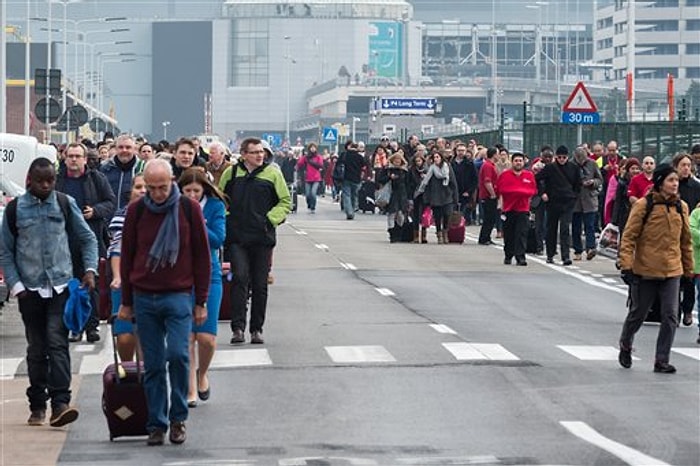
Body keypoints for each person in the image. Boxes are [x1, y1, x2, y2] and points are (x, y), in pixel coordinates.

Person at [117, 159, 211, 446]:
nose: (157, 194)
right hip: (145, 297)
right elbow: (129, 254)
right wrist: (127, 301)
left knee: (179, 357)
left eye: (162, 187)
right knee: (154, 364)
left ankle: (178, 418)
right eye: (151, 188)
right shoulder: (136, 211)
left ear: (172, 181)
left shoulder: (188, 208)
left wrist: (201, 301)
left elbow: (201, 256)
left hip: (178, 295)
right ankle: (156, 423)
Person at [0, 157, 98, 427]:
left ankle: (60, 403)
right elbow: (6, 252)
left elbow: (87, 237)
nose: (46, 185)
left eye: (50, 180)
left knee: (57, 342)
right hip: (29, 290)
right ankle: (37, 404)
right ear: (29, 180)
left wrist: (90, 270)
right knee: (36, 348)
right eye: (40, 181)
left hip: (60, 286)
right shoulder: (16, 209)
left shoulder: (65, 203)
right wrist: (16, 286)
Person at [618, 164, 694, 374]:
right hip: (646, 270)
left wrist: (689, 271)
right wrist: (626, 266)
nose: (675, 184)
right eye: (670, 180)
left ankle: (662, 360)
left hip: (672, 270)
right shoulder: (644, 205)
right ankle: (625, 343)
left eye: (676, 180)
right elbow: (629, 237)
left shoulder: (682, 207)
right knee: (638, 314)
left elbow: (685, 242)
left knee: (670, 315)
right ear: (660, 183)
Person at [219, 137, 291, 345]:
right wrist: (225, 218)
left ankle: (256, 329)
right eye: (255, 152)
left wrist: (270, 219)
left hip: (262, 237)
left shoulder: (273, 174)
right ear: (243, 155)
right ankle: (238, 328)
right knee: (240, 278)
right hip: (237, 237)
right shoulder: (231, 173)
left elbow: (285, 201)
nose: (260, 155)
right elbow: (220, 198)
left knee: (260, 284)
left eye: (262, 152)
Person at [55, 142, 116, 343]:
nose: (73, 160)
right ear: (65, 158)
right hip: (64, 240)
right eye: (70, 156)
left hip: (90, 237)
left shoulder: (96, 178)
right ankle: (76, 326)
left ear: (84, 159)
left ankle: (92, 326)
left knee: (91, 282)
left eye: (77, 156)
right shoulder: (59, 180)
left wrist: (95, 211)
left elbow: (110, 202)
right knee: (70, 284)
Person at [177, 168, 226, 408]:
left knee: (206, 337)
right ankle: (190, 389)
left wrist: (196, 222)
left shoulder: (215, 207)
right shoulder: (173, 206)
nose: (192, 196)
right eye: (188, 191)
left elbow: (218, 238)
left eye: (197, 191)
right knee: (187, 336)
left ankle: (202, 372)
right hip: (181, 275)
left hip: (210, 273)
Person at [106, 174, 147, 362]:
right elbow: (116, 248)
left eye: (147, 187)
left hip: (151, 283)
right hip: (125, 280)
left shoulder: (163, 214)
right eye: (139, 187)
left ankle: (146, 379)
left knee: (147, 339)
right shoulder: (122, 216)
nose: (143, 191)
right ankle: (128, 369)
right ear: (131, 190)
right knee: (124, 338)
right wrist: (117, 276)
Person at [537, 145, 581, 266]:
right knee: (551, 228)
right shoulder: (550, 168)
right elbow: (537, 179)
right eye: (560, 157)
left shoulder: (573, 168)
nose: (562, 159)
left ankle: (565, 256)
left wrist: (574, 196)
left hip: (567, 202)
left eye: (564, 157)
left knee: (565, 229)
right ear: (556, 157)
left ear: (568, 157)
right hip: (552, 202)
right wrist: (542, 193)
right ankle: (550, 254)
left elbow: (578, 184)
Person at [673, 153, 700, 327]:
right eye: (683, 165)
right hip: (674, 233)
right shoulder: (671, 185)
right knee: (674, 276)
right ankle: (674, 311)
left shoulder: (696, 186)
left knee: (689, 277)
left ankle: (688, 310)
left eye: (689, 165)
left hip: (689, 234)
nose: (686, 168)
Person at [497, 152, 537, 266]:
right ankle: (508, 255)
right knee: (509, 234)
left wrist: (520, 192)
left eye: (520, 161)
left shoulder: (529, 175)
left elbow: (532, 191)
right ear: (512, 162)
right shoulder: (505, 175)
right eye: (516, 161)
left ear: (524, 162)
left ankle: (521, 257)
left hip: (523, 209)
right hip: (509, 209)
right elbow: (502, 190)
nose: (518, 163)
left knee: (521, 233)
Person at [415, 151, 459, 244]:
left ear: (441, 158)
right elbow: (426, 184)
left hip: (447, 195)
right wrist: (427, 198)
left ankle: (445, 232)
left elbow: (453, 182)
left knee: (447, 214)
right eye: (434, 157)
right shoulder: (431, 169)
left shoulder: (447, 168)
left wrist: (455, 197)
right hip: (435, 196)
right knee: (437, 216)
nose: (436, 159)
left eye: (438, 157)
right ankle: (439, 234)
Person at [571, 146, 603, 261]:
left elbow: (600, 179)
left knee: (590, 226)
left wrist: (592, 182)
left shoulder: (592, 164)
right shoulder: (571, 165)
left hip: (589, 199)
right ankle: (577, 250)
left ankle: (590, 248)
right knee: (576, 227)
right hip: (576, 201)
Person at [100, 134, 143, 213]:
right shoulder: (104, 169)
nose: (124, 150)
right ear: (116, 149)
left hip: (134, 218)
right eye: (121, 147)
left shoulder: (142, 169)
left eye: (128, 147)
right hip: (109, 220)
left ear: (134, 149)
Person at [376, 151, 410, 243]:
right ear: (392, 160)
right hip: (391, 195)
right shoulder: (387, 170)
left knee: (400, 215)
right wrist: (389, 177)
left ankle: (399, 234)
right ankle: (392, 234)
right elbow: (380, 180)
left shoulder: (405, 171)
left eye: (399, 160)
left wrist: (409, 197)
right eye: (395, 160)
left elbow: (408, 184)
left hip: (402, 195)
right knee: (391, 214)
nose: (397, 161)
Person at [340, 142, 368, 220]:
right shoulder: (359, 157)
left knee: (346, 195)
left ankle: (349, 212)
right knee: (354, 195)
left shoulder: (344, 155)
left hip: (345, 178)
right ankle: (352, 209)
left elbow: (338, 164)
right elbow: (363, 165)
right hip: (356, 179)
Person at [477, 147, 499, 245]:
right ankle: (484, 237)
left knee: (491, 217)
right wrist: (493, 194)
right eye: (497, 154)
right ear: (494, 155)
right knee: (489, 217)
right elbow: (487, 181)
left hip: (489, 195)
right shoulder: (488, 166)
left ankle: (486, 236)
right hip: (488, 196)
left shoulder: (491, 165)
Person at [295, 142, 323, 214]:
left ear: (316, 149)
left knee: (313, 193)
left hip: (316, 178)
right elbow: (299, 163)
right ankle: (309, 204)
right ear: (309, 148)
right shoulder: (306, 157)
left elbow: (320, 165)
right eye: (311, 147)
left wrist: (312, 162)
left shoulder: (318, 157)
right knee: (307, 194)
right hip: (308, 178)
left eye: (314, 147)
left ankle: (313, 207)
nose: (313, 149)